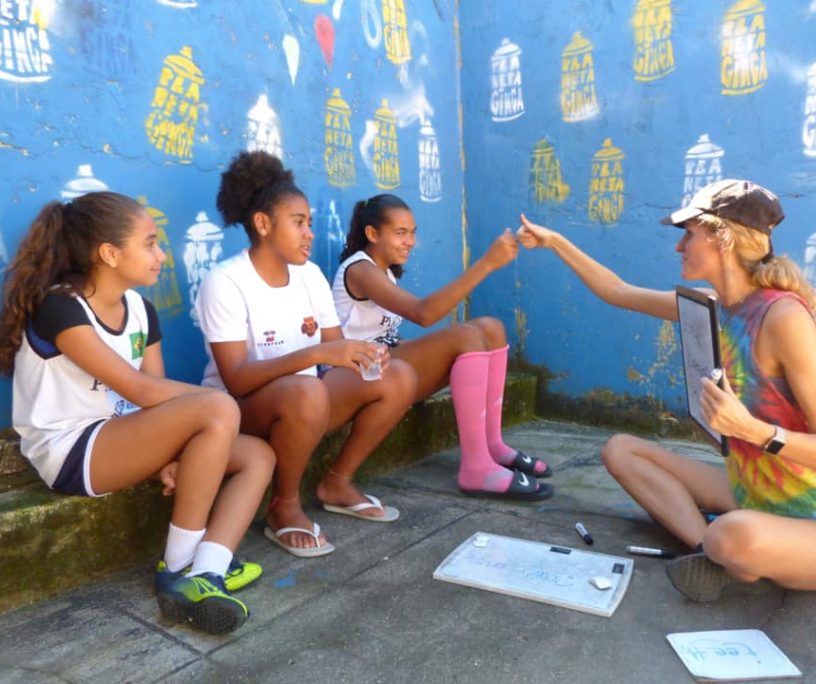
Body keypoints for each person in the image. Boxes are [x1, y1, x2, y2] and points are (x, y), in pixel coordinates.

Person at [518, 178, 816, 602]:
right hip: (753, 491)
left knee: (732, 535)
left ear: (723, 239)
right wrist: (556, 242)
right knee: (620, 451)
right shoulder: (711, 307)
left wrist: (753, 431)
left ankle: (727, 550)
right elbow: (617, 291)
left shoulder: (783, 318)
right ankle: (708, 554)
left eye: (689, 235)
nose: (679, 246)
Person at [0, 192, 275, 634]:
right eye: (149, 244)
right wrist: (214, 414)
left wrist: (171, 450)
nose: (161, 255)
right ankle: (178, 569)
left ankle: (209, 569)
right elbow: (142, 390)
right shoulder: (61, 308)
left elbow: (158, 397)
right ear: (109, 253)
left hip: (126, 435)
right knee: (218, 407)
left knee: (258, 456)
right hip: (73, 451)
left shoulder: (142, 311)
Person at [196, 152, 417, 559]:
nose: (309, 234)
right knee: (307, 389)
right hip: (242, 411)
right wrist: (316, 352)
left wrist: (366, 356)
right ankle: (284, 505)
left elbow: (336, 351)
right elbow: (236, 379)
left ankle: (338, 482)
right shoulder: (225, 281)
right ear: (263, 224)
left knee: (398, 376)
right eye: (298, 223)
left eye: (310, 223)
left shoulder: (310, 275)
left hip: (304, 403)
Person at [332, 193, 553, 501]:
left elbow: (384, 336)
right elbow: (423, 314)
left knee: (491, 328)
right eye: (400, 233)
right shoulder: (360, 270)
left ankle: (492, 445)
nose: (410, 241)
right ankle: (476, 468)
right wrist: (487, 264)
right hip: (356, 377)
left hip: (383, 367)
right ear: (372, 233)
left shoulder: (385, 272)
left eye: (412, 233)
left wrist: (423, 349)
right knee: (466, 338)